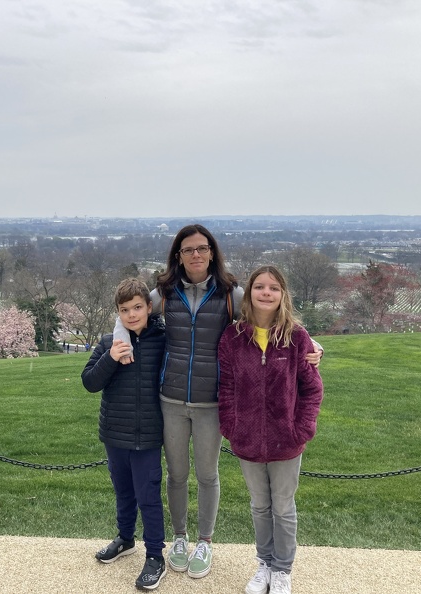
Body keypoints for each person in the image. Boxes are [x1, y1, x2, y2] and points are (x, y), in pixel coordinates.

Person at [150, 224, 322, 579]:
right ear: (178, 256)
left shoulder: (231, 293)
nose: (195, 255)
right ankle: (179, 538)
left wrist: (317, 346)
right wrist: (117, 340)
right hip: (171, 398)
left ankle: (205, 542)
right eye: (188, 250)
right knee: (177, 475)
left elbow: (274, 313)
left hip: (211, 402)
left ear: (212, 252)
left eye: (202, 248)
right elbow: (129, 314)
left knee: (207, 475)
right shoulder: (164, 293)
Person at [217, 265, 324, 594]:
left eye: (273, 288)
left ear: (282, 295)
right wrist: (231, 427)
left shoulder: (297, 338)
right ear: (249, 293)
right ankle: (264, 563)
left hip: (286, 442)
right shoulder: (233, 339)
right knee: (259, 506)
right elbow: (226, 389)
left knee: (283, 506)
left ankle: (283, 569)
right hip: (246, 441)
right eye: (260, 287)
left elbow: (312, 390)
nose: (266, 292)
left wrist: (301, 429)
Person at [81, 277, 168, 591]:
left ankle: (155, 555)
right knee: (124, 492)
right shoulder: (109, 343)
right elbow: (90, 382)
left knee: (148, 497)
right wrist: (112, 358)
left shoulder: (163, 338)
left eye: (137, 307)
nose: (132, 314)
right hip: (115, 434)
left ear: (148, 307)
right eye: (124, 309)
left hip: (147, 435)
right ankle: (125, 538)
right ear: (117, 312)